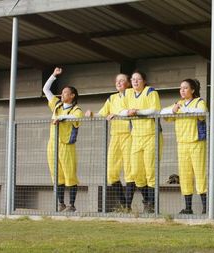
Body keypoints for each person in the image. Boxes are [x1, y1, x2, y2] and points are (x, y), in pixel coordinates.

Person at [85, 74, 134, 211]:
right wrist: (92, 114)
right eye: (117, 81)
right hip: (115, 136)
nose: (119, 83)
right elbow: (103, 113)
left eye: (122, 80)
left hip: (129, 135)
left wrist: (118, 115)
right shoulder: (112, 98)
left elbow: (133, 111)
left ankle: (128, 205)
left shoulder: (132, 94)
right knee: (111, 173)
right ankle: (124, 204)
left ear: (128, 83)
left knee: (130, 171)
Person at [160, 79, 207, 215]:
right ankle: (188, 208)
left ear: (192, 90)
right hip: (182, 144)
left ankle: (206, 208)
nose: (182, 90)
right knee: (185, 176)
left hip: (196, 143)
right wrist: (173, 110)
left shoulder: (199, 102)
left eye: (185, 88)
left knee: (199, 174)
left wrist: (181, 110)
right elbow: (163, 113)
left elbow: (201, 112)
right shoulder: (178, 104)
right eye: (181, 88)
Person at [119, 70, 162, 213]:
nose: (135, 81)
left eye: (138, 79)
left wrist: (137, 112)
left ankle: (151, 205)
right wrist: (128, 112)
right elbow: (121, 110)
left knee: (150, 171)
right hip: (136, 136)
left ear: (144, 81)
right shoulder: (129, 93)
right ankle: (147, 201)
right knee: (136, 172)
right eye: (133, 79)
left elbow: (155, 110)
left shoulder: (150, 92)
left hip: (151, 135)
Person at [43, 67, 83, 212]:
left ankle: (72, 205)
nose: (62, 94)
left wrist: (61, 118)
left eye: (66, 92)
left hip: (66, 146)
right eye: (62, 92)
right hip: (53, 144)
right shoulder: (57, 105)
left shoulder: (75, 109)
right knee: (56, 174)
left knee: (70, 174)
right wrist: (53, 75)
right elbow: (46, 89)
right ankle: (61, 204)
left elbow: (77, 117)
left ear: (72, 96)